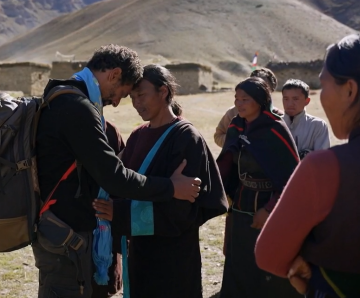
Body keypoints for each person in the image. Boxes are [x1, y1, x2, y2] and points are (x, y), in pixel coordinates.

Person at [255, 27, 360, 297]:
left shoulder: (323, 169)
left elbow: (270, 255)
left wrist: (310, 266)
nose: (322, 96)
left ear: (350, 90)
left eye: (324, 85)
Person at [33, 45, 202, 298]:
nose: (115, 102)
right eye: (122, 94)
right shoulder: (77, 106)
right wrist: (171, 187)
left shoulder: (63, 96)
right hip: (65, 237)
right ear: (113, 75)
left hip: (59, 232)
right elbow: (114, 177)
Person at [93, 64, 228, 298]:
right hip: (139, 252)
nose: (136, 103)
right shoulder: (137, 136)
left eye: (142, 95)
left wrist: (122, 213)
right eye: (132, 97)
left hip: (173, 255)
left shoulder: (186, 138)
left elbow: (183, 208)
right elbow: (123, 182)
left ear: (163, 91)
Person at [216, 77, 300, 298]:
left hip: (271, 209)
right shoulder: (236, 126)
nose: (239, 104)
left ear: (260, 101)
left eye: (245, 99)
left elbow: (291, 177)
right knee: (240, 261)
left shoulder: (275, 130)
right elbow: (226, 163)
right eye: (236, 99)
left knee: (266, 265)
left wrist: (269, 210)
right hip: (241, 203)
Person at [91, 120, 125, 298]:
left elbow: (123, 177)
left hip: (104, 226)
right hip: (76, 229)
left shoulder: (109, 130)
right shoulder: (107, 128)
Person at [214, 67, 280, 148]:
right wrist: (235, 140)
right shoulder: (233, 113)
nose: (258, 93)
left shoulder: (277, 117)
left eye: (264, 89)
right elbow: (218, 136)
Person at [282, 79, 330, 159]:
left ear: (306, 101)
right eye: (286, 99)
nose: (290, 104)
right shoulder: (274, 124)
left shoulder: (317, 125)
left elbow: (322, 159)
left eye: (295, 99)